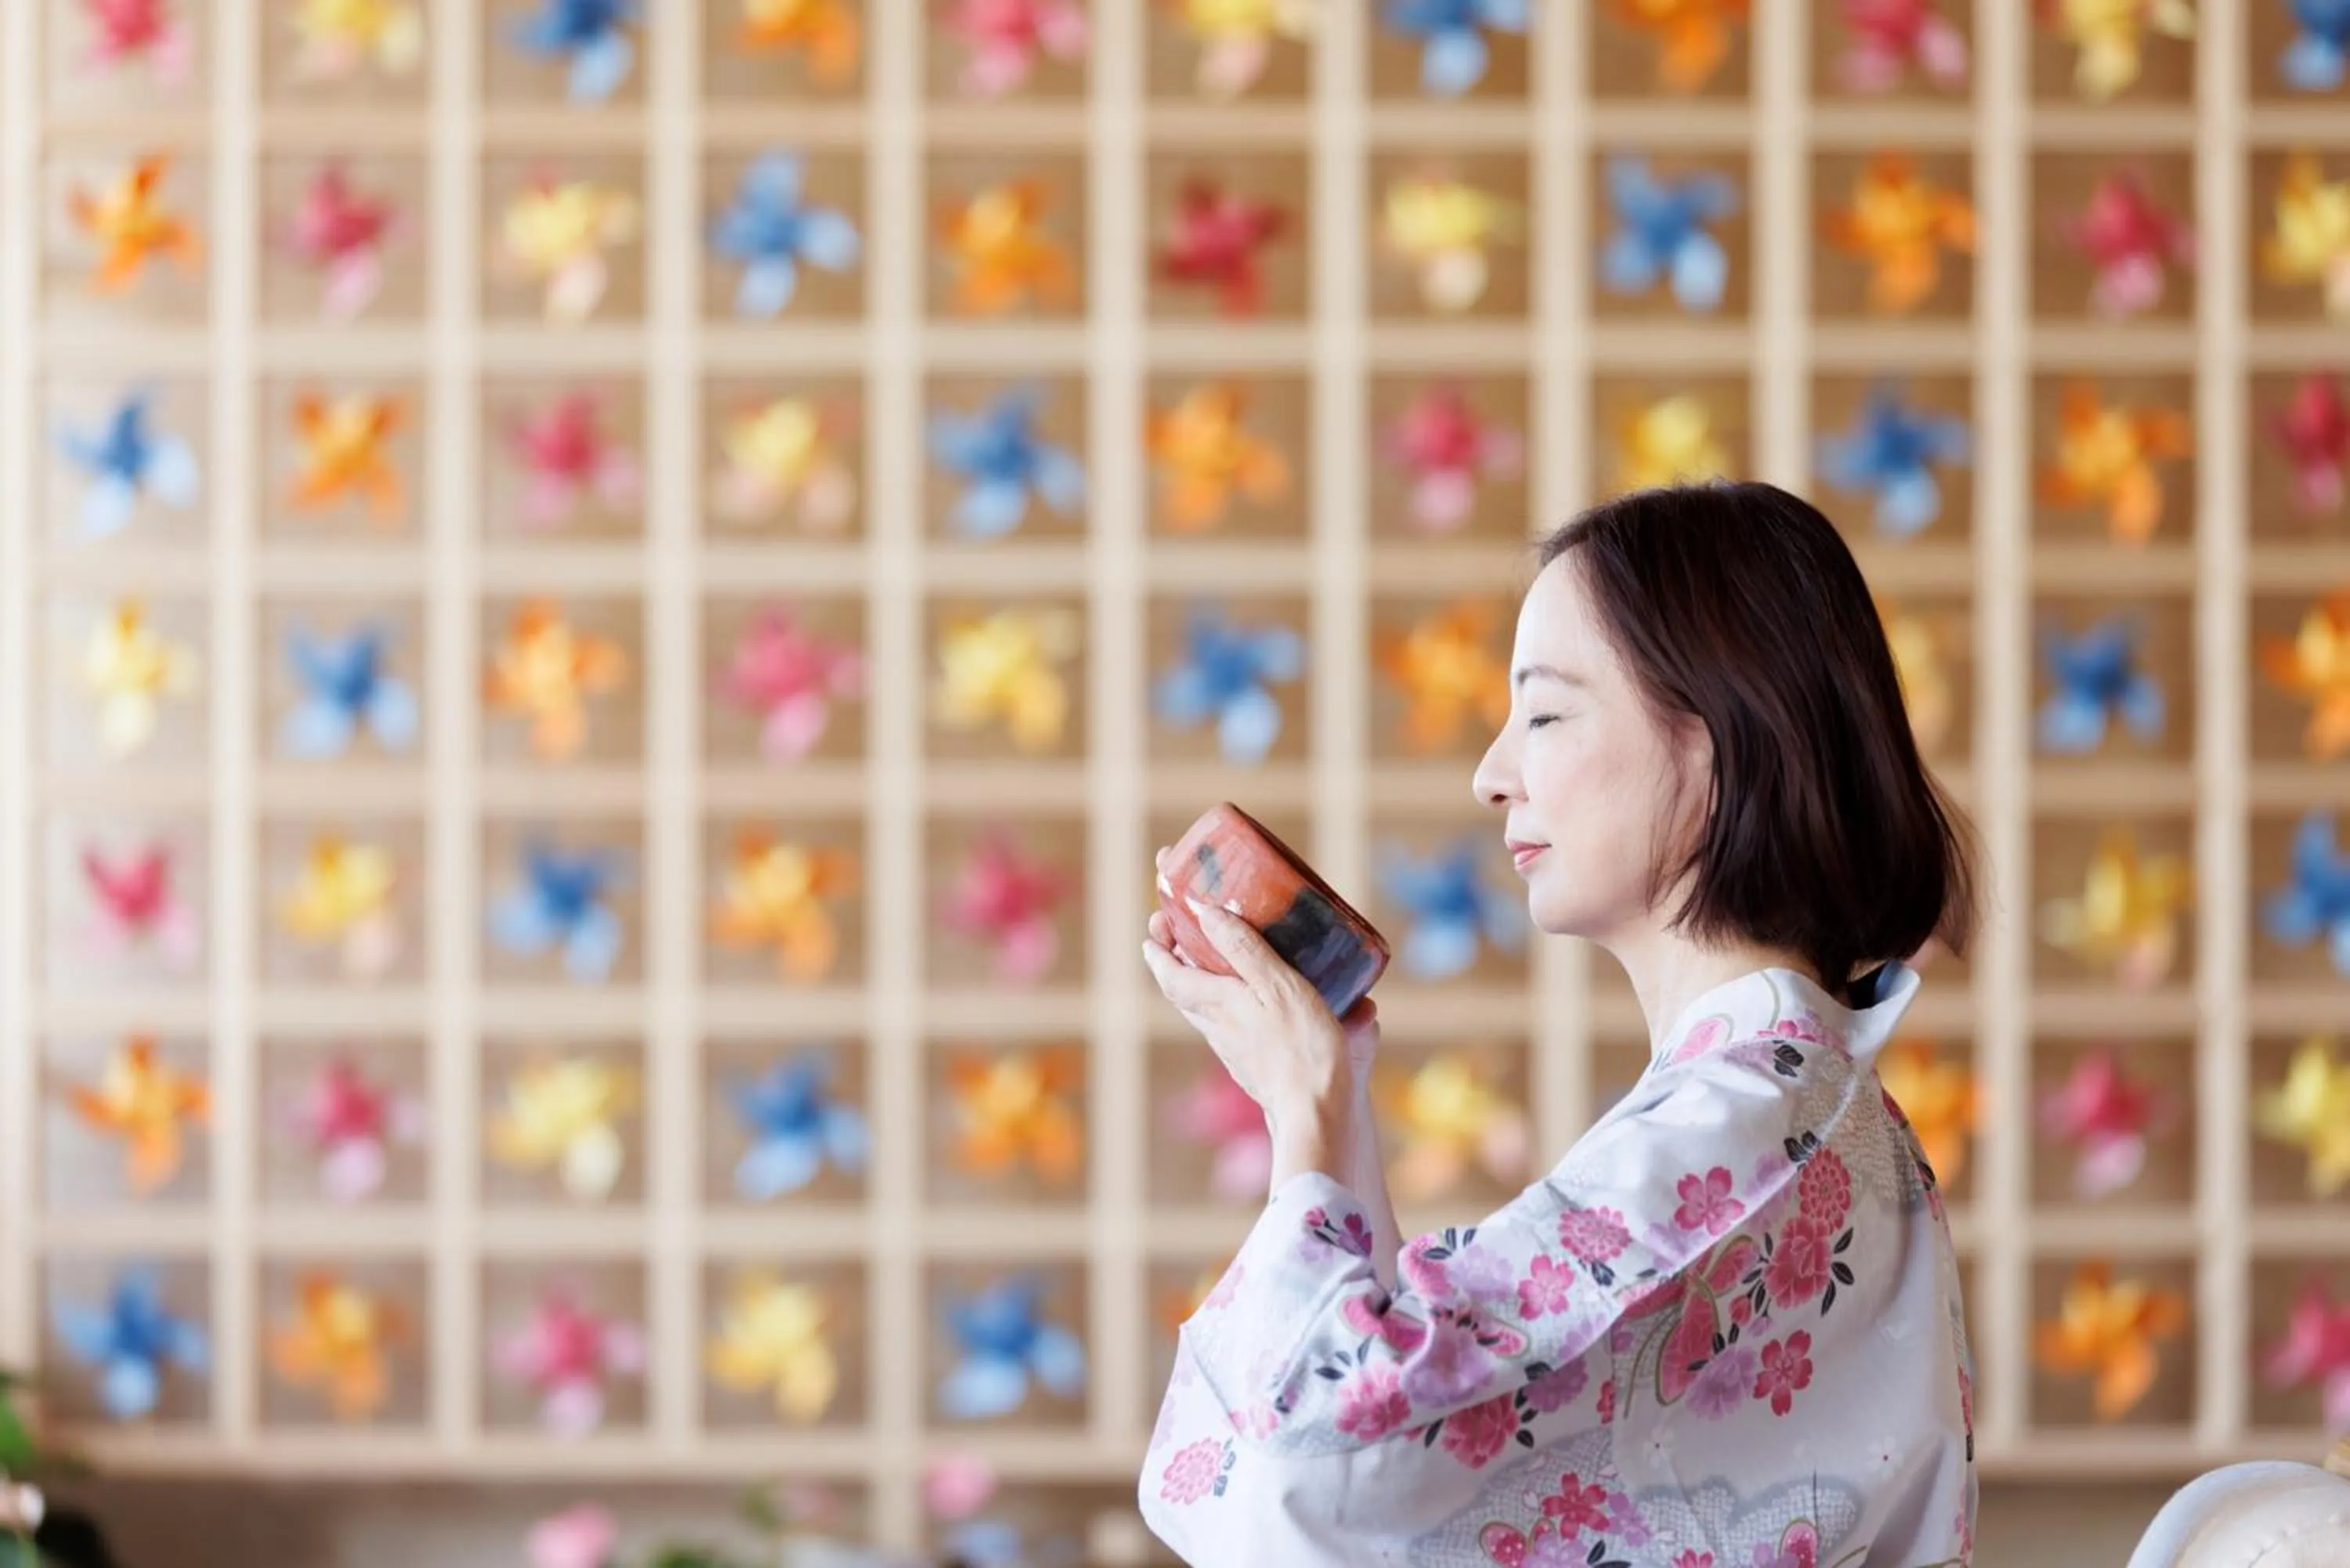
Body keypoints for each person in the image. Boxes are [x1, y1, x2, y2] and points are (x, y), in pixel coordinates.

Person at [1137, 482, 1981, 1566]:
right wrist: (1331, 1096)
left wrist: (1299, 1105)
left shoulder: (1741, 1124)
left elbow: (1310, 1473)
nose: (1492, 774)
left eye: (1543, 712)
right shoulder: (1785, 1103)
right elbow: (1432, 1431)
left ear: (1719, 742)